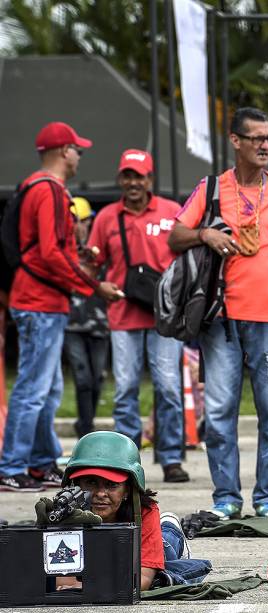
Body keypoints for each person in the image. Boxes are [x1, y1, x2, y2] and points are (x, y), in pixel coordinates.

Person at [169, 107, 268, 518]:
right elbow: (175, 236)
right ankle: (226, 499)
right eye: (257, 139)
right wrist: (205, 233)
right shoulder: (212, 187)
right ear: (236, 141)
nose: (266, 146)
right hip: (222, 321)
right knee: (218, 413)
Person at [0, 122, 117, 493]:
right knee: (34, 388)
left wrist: (78, 260)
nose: (79, 155)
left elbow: (45, 250)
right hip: (39, 302)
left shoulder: (39, 187)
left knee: (47, 388)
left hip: (41, 300)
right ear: (64, 151)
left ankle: (39, 463)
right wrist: (93, 286)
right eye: (77, 149)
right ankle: (12, 466)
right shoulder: (48, 190)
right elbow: (49, 253)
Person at [86, 149, 188, 483]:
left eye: (139, 176)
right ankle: (129, 461)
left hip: (164, 318)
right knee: (125, 390)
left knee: (169, 388)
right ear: (120, 180)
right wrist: (97, 283)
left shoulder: (172, 212)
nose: (133, 182)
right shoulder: (105, 218)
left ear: (150, 180)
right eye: (127, 176)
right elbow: (91, 266)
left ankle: (172, 458)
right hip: (123, 315)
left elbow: (189, 261)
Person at [41, 431, 211, 590]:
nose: (100, 493)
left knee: (172, 563)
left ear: (128, 490)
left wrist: (90, 588)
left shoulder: (144, 511)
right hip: (105, 568)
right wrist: (55, 527)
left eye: (111, 485)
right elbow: (65, 584)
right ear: (76, 485)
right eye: (91, 483)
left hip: (143, 557)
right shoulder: (63, 513)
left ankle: (170, 526)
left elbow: (143, 578)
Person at [63, 197, 108, 439]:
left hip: (100, 324)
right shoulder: (66, 252)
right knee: (82, 378)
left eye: (86, 221)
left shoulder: (98, 250)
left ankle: (86, 421)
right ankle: (86, 428)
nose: (82, 226)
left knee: (97, 377)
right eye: (78, 221)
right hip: (72, 325)